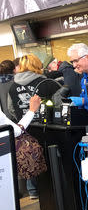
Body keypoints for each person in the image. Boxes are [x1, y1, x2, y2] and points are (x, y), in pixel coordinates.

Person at [8, 54, 58, 200]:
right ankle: (51, 189)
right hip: (46, 129)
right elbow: (59, 102)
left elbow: (11, 109)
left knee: (30, 156)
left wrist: (22, 119)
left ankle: (33, 191)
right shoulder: (45, 82)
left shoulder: (13, 86)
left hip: (24, 129)